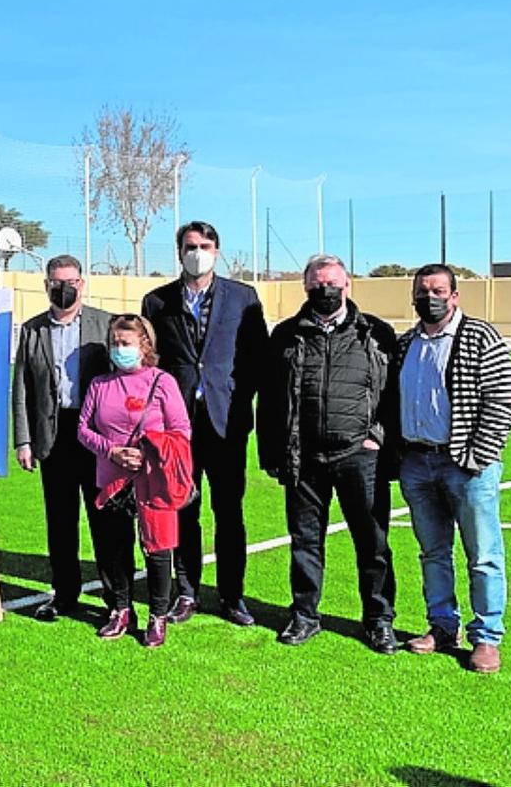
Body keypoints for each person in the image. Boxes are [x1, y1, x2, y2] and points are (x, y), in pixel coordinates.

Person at [257, 254, 398, 652]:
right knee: (305, 542)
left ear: (347, 285)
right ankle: (305, 615)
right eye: (318, 284)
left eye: (333, 283)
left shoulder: (376, 332)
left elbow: (393, 394)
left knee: (373, 543)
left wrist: (378, 437)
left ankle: (379, 619)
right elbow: (270, 399)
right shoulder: (286, 334)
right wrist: (272, 453)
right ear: (306, 288)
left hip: (359, 456)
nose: (326, 290)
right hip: (303, 458)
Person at [141, 221, 269, 626]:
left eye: (206, 245)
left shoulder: (243, 297)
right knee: (183, 509)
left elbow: (256, 358)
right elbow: (151, 362)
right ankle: (187, 592)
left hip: (226, 423)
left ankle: (232, 596)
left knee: (229, 512)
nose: (198, 252)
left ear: (217, 250)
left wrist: (237, 397)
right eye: (191, 245)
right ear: (179, 252)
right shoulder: (156, 302)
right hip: (176, 428)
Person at [396, 264, 511, 673]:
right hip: (418, 462)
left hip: (465, 465)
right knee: (433, 553)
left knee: (483, 555)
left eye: (437, 291)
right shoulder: (406, 344)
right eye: (422, 291)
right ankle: (443, 625)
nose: (429, 298)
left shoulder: (480, 336)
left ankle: (486, 636)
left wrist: (476, 456)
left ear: (454, 296)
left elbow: (504, 402)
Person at [78, 314, 191, 647]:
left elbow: (181, 430)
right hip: (111, 477)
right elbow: (83, 429)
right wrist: (111, 451)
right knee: (115, 547)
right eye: (114, 343)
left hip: (154, 479)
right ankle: (121, 610)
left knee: (158, 548)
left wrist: (148, 451)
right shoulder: (100, 384)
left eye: (124, 343)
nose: (118, 349)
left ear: (144, 345)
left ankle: (158, 616)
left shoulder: (163, 382)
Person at [12, 254, 112, 622]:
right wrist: (23, 440)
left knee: (104, 520)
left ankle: (116, 600)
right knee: (60, 521)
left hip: (97, 437)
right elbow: (22, 388)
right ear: (46, 285)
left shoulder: (106, 324)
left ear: (81, 284)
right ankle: (65, 595)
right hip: (52, 437)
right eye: (57, 283)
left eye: (70, 282)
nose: (64, 288)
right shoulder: (32, 330)